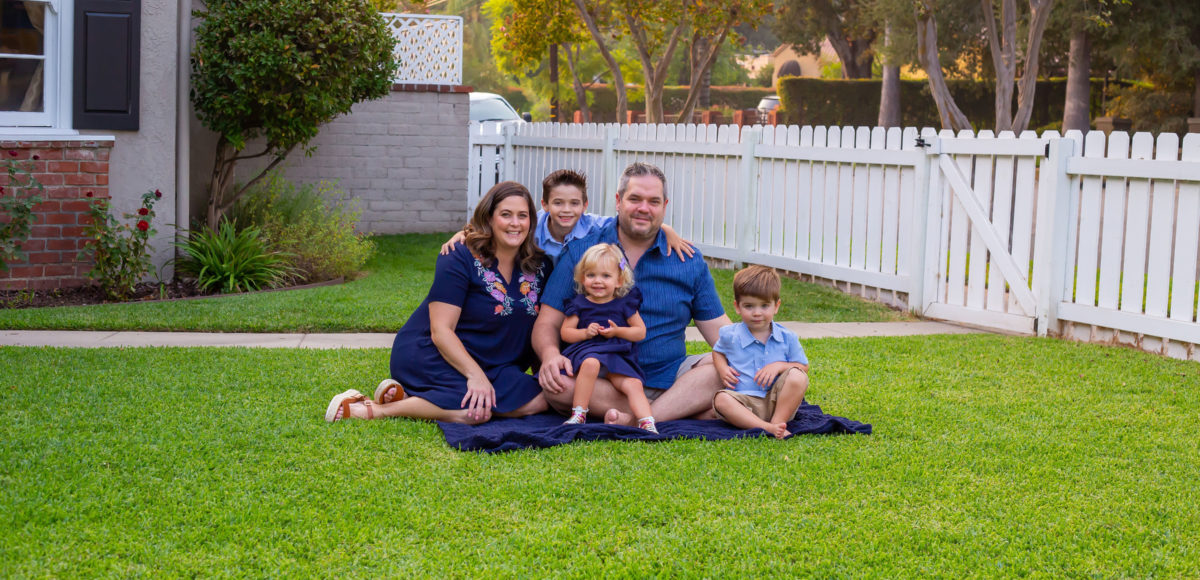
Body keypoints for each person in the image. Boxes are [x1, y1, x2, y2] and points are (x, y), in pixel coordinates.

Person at [325, 181, 549, 424]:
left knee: (540, 400)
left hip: (496, 365)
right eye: (506, 215)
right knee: (473, 414)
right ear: (490, 218)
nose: (515, 223)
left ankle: (417, 398)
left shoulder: (539, 266)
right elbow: (441, 330)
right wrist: (476, 376)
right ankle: (375, 410)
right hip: (432, 354)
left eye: (522, 216)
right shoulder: (458, 256)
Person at [534, 162, 732, 426]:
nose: (643, 208)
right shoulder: (583, 250)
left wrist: (765, 355)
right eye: (635, 199)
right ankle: (676, 409)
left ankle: (638, 417)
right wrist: (549, 355)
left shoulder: (688, 260)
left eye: (653, 201)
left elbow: (720, 331)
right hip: (601, 380)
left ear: (665, 205)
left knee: (721, 367)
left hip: (669, 377)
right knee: (557, 382)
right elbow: (547, 321)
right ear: (618, 201)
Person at [441, 169, 695, 264]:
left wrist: (667, 231)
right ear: (544, 205)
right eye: (558, 203)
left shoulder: (593, 225)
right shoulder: (534, 224)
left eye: (574, 203)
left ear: (585, 205)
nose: (566, 210)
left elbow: (631, 220)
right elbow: (498, 226)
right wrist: (463, 234)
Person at [559, 243, 656, 433]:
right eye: (591, 275)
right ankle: (578, 413)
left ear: (619, 281)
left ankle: (647, 422)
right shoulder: (579, 303)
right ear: (581, 278)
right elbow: (566, 333)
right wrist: (585, 333)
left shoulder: (624, 303)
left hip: (616, 355)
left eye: (606, 276)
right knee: (591, 363)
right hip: (588, 351)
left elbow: (639, 332)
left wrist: (617, 331)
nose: (598, 281)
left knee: (633, 383)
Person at [711, 265, 810, 439]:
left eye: (764, 306)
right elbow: (717, 352)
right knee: (721, 400)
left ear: (776, 306)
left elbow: (803, 367)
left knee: (798, 376)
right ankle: (767, 427)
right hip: (743, 401)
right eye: (749, 306)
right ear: (737, 307)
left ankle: (778, 422)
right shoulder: (730, 335)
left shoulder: (787, 337)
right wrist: (722, 369)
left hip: (778, 402)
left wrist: (779, 366)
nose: (757, 313)